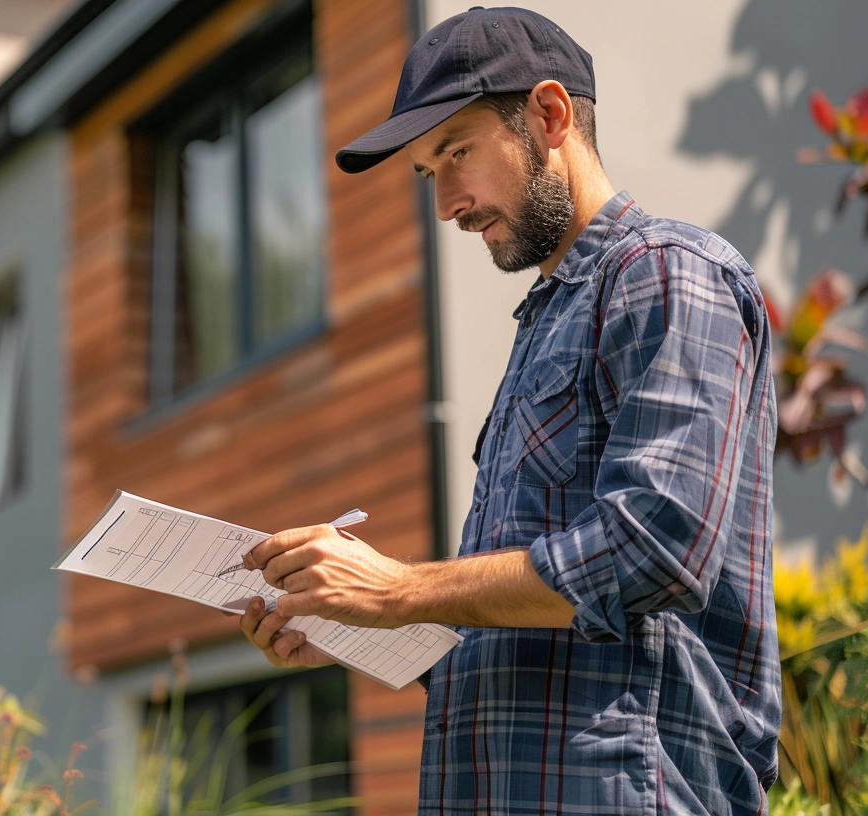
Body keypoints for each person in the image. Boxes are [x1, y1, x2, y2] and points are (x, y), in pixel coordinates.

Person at [237, 7, 780, 814]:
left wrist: (400, 591)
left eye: (456, 152)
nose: (446, 202)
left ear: (551, 116)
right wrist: (354, 623)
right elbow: (531, 619)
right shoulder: (548, 321)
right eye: (427, 172)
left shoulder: (665, 273)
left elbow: (656, 547)